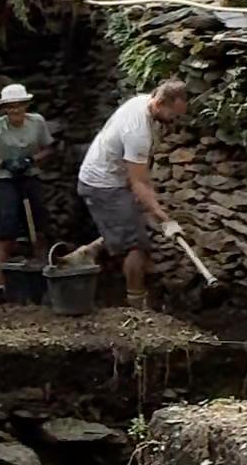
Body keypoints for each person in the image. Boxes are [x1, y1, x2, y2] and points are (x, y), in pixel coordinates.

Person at [76, 75, 189, 307]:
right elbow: (138, 182)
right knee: (137, 245)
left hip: (112, 180)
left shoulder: (142, 101)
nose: (175, 120)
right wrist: (163, 217)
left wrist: (152, 208)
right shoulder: (138, 131)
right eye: (173, 115)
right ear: (158, 104)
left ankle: (88, 252)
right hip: (103, 186)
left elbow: (139, 177)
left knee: (131, 227)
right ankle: (136, 304)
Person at [0, 80, 53, 295]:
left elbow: (48, 149)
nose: (15, 109)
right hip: (5, 180)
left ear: (26, 105)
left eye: (19, 105)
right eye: (10, 106)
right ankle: (1, 283)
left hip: (30, 177)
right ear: (4, 108)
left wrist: (31, 161)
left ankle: (43, 274)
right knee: (7, 227)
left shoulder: (37, 122)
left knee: (39, 224)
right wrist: (3, 163)